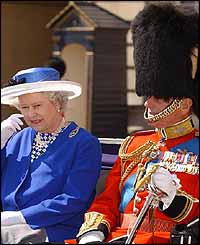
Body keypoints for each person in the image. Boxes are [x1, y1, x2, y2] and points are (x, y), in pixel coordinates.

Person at [69, 3, 199, 244]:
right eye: (147, 93)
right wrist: (93, 233)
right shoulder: (133, 145)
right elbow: (106, 201)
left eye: (158, 95)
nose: (147, 102)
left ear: (184, 104)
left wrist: (173, 199)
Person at [1, 67, 102, 243]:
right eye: (25, 107)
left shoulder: (83, 143)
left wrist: (19, 218)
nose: (31, 114)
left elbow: (73, 200)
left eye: (37, 106)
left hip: (54, 230)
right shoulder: (18, 138)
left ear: (57, 104)